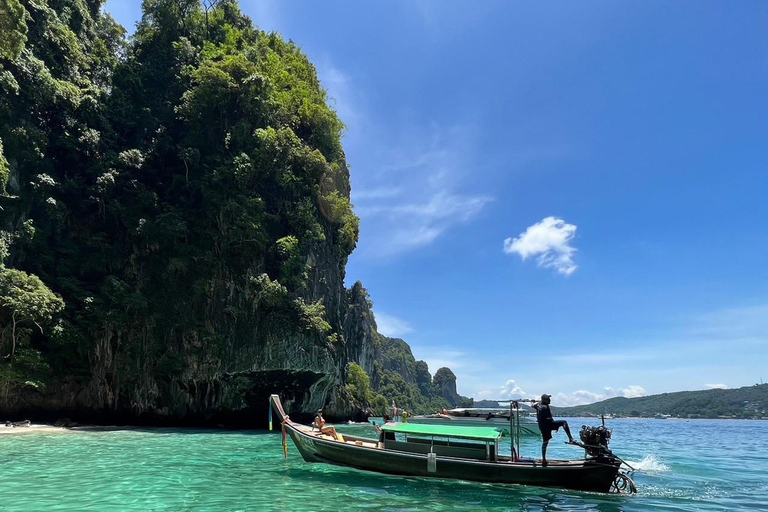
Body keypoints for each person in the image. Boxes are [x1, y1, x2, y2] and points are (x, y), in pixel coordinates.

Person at [531, 394, 576, 466]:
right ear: (545, 400)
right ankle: (570, 438)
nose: (550, 400)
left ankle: (544, 460)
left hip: (542, 427)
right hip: (548, 425)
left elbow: (532, 405)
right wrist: (555, 426)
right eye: (548, 399)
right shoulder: (545, 407)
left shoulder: (538, 405)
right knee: (564, 422)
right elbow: (549, 419)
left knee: (545, 442)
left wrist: (532, 402)